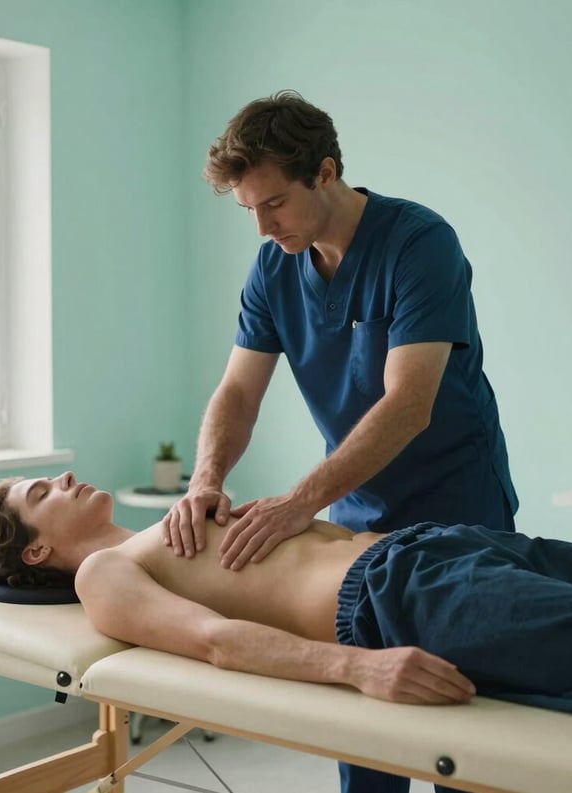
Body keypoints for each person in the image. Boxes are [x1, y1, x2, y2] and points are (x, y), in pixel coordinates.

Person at [162, 90, 519, 793]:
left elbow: (409, 404)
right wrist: (205, 478)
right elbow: (237, 392)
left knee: (463, 729)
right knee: (367, 734)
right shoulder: (274, 268)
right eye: (248, 212)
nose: (263, 228)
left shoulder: (418, 243)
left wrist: (298, 503)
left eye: (274, 205)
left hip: (460, 509)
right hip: (359, 524)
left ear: (324, 172)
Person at [0, 472, 572, 733]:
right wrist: (361, 667)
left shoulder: (178, 519)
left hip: (442, 545)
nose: (64, 478)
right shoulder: (105, 572)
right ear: (36, 551)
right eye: (43, 492)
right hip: (404, 593)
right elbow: (216, 639)